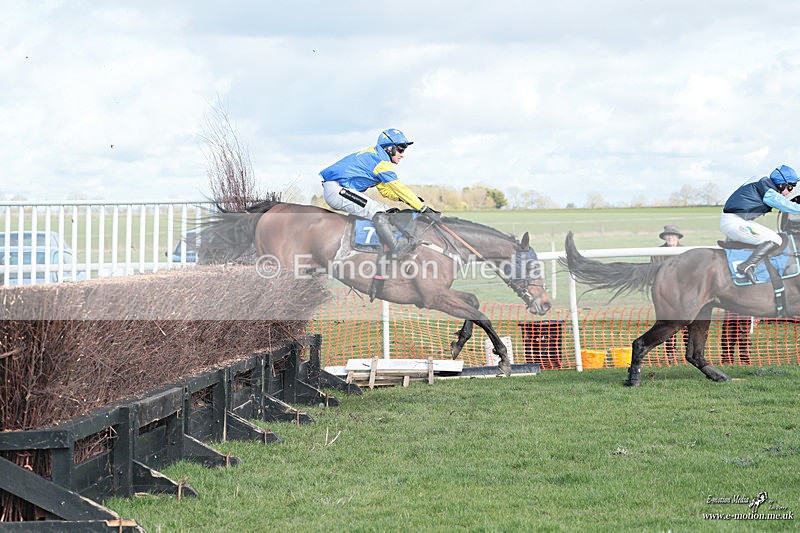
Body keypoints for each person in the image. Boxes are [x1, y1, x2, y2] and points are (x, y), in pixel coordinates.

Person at [320, 128, 440, 257]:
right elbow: (397, 187)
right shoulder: (381, 162)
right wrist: (423, 208)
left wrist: (405, 199)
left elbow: (386, 191)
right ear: (389, 148)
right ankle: (396, 249)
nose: (402, 154)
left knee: (385, 210)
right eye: (400, 149)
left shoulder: (377, 157)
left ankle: (376, 249)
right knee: (378, 213)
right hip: (338, 190)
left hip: (340, 189)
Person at [721, 165, 800, 283]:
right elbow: (789, 207)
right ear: (780, 184)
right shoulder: (769, 193)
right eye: (790, 187)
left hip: (735, 220)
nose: (791, 191)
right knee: (776, 239)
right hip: (734, 223)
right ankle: (748, 265)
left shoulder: (760, 179)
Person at [651, 225, 686, 362]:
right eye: (668, 235)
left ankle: (689, 352)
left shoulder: (687, 251)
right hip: (665, 295)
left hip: (685, 295)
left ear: (678, 237)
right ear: (664, 237)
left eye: (673, 235)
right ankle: (670, 355)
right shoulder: (656, 253)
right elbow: (654, 274)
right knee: (668, 324)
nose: (671, 237)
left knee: (687, 323)